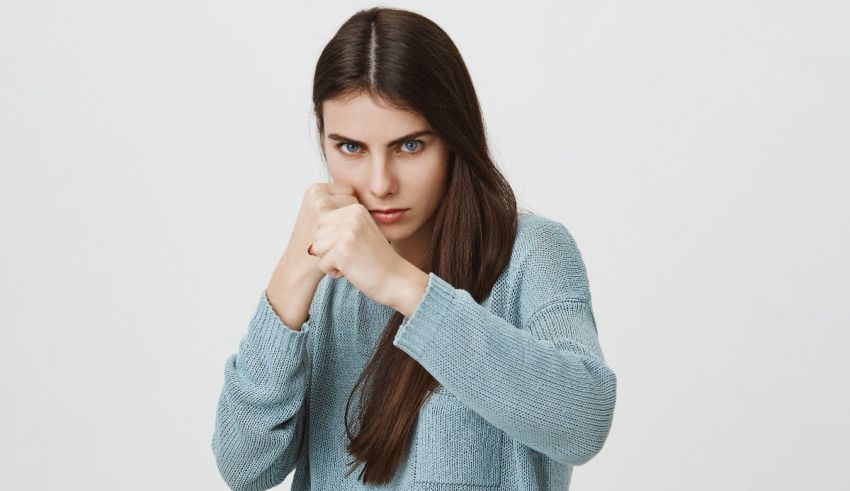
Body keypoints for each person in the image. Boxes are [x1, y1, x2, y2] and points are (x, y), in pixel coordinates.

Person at [211, 6, 616, 490]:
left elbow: (584, 421)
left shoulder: (532, 253)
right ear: (322, 139)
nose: (380, 184)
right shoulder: (325, 278)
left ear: (452, 138)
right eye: (351, 148)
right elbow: (243, 469)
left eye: (409, 146)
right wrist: (291, 278)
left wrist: (404, 287)